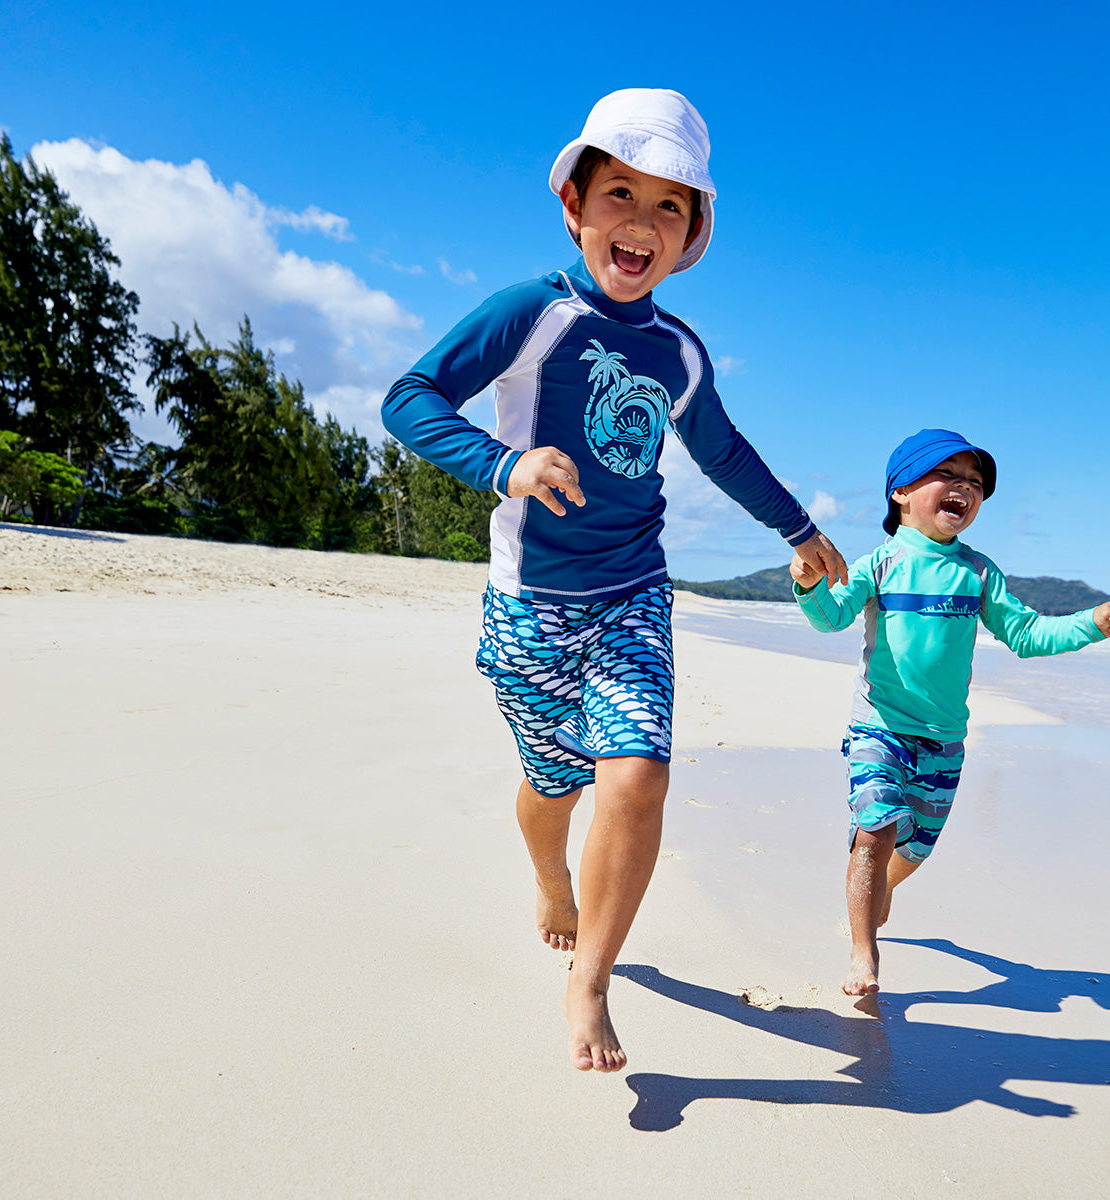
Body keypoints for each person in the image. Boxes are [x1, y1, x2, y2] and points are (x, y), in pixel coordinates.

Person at [382, 88, 847, 1071]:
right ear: (575, 205)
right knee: (552, 786)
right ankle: (552, 879)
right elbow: (410, 398)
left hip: (634, 594)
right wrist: (505, 466)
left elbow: (722, 450)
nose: (642, 221)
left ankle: (589, 981)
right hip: (529, 606)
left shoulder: (677, 351)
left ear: (692, 234)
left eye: (670, 205)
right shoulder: (534, 311)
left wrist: (800, 529)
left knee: (636, 773)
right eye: (621, 194)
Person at [789, 428, 1110, 997]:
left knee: (916, 848)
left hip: (944, 737)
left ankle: (885, 887)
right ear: (901, 491)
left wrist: (1091, 624)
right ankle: (862, 953)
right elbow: (831, 617)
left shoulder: (978, 572)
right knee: (876, 827)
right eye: (947, 474)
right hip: (879, 725)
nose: (964, 487)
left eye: (974, 482)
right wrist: (808, 587)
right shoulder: (881, 563)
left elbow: (1027, 634)